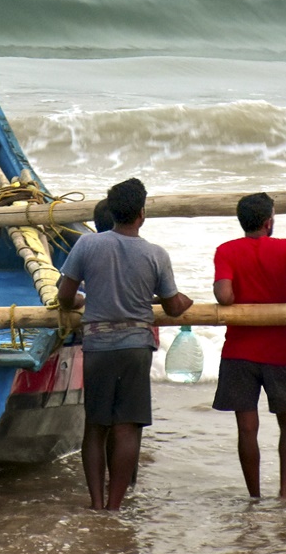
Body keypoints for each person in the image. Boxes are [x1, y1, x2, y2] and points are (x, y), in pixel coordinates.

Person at [57, 178, 194, 510]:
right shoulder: (155, 254)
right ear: (141, 214)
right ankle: (116, 506)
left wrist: (80, 302)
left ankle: (96, 502)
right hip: (136, 347)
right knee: (127, 428)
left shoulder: (88, 245)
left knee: (95, 426)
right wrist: (187, 301)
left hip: (98, 345)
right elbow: (173, 306)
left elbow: (64, 296)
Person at [211, 193, 286, 500]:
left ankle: (254, 494)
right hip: (279, 350)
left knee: (247, 428)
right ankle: (284, 491)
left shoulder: (226, 250)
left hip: (239, 349)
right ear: (269, 221)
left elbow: (225, 297)